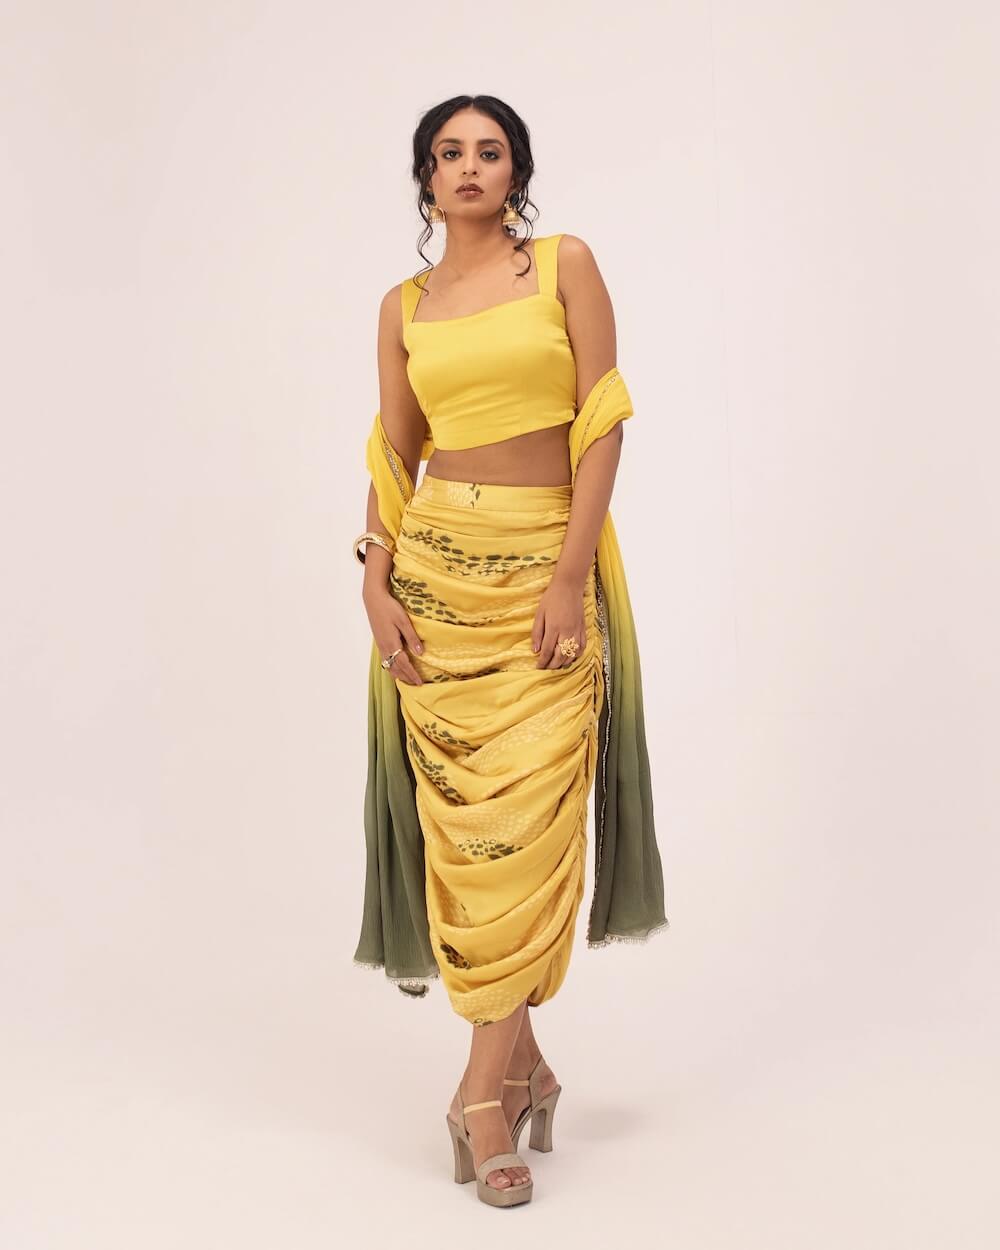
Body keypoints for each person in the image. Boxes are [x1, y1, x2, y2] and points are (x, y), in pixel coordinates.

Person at [352, 94, 667, 1207]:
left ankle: (478, 1095)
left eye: (489, 152)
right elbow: (396, 449)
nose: (469, 167)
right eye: (449, 153)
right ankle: (523, 1066)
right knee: (468, 845)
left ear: (516, 172)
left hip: (542, 570)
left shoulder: (564, 265)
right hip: (436, 580)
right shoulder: (403, 307)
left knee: (529, 834)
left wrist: (570, 575)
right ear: (426, 178)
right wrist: (373, 574)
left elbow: (601, 422)